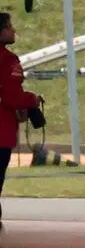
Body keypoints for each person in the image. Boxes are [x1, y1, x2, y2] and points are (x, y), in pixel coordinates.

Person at [0, 13, 45, 226]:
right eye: (9, 26)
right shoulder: (8, 60)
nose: (13, 31)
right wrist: (32, 100)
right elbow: (11, 97)